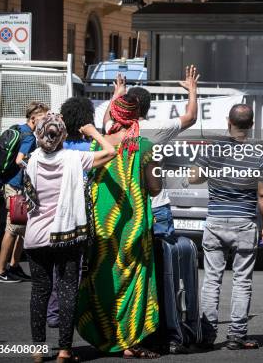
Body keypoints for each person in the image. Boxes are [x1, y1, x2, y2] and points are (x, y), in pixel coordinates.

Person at [24, 113, 116, 363]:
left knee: (39, 292)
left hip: (35, 237)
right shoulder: (75, 158)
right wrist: (95, 133)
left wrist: (49, 124)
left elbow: (44, 136)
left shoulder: (31, 160)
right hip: (67, 235)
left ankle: (38, 350)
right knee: (66, 291)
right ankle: (64, 350)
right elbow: (111, 152)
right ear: (64, 136)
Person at [77, 94, 162, 358]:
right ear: (136, 116)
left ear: (114, 115)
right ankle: (128, 341)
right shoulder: (147, 146)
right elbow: (155, 188)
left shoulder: (96, 147)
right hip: (133, 226)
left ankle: (105, 336)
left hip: (102, 227)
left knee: (103, 277)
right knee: (134, 282)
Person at [189, 104, 263, 350]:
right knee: (242, 281)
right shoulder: (259, 155)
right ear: (252, 124)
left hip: (215, 221)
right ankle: (237, 335)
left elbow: (194, 177)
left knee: (212, 279)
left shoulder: (214, 148)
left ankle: (206, 335)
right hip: (244, 223)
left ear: (228, 122)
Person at [103, 66, 200, 238]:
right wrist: (192, 90)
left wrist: (117, 93)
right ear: (147, 107)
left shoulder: (115, 131)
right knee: (160, 259)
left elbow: (107, 119)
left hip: (123, 204)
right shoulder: (158, 128)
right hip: (156, 206)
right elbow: (191, 116)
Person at [46, 97, 97, 329]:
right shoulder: (90, 149)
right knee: (79, 267)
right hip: (82, 216)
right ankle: (75, 310)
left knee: (57, 267)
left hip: (55, 215)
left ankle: (54, 311)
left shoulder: (56, 149)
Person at [0, 101, 49, 284]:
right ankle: (0, 271)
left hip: (9, 184)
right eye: (43, 116)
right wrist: (32, 168)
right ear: (34, 118)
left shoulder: (17, 128)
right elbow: (19, 160)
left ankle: (14, 266)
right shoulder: (29, 138)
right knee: (12, 228)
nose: (46, 119)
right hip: (16, 188)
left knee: (21, 227)